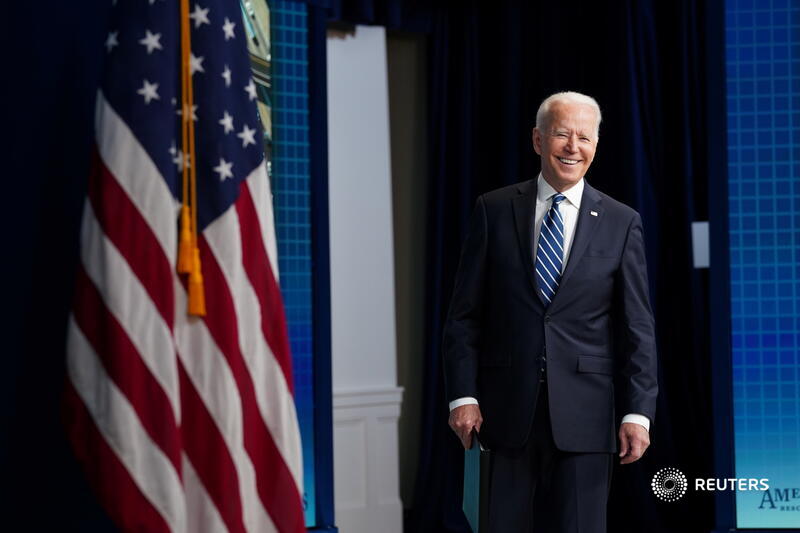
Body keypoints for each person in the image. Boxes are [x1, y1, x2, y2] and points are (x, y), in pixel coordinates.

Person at [443, 91, 658, 533]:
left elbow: (637, 327)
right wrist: (463, 395)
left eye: (584, 137)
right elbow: (464, 316)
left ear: (596, 146)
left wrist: (638, 412)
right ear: (538, 140)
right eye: (562, 134)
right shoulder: (494, 209)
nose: (572, 147)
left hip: (587, 417)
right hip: (503, 415)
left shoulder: (621, 221)